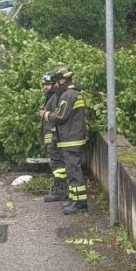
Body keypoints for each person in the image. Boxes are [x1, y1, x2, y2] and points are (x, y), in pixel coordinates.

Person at [39, 65, 87, 215]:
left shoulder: (68, 95)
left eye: (55, 81)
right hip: (69, 139)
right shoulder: (70, 93)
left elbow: (60, 117)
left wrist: (44, 115)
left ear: (61, 80)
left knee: (74, 171)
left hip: (71, 139)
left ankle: (80, 204)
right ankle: (74, 200)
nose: (54, 85)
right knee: (72, 172)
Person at [40, 72, 67, 202]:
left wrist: (51, 140)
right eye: (44, 84)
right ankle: (59, 188)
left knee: (58, 164)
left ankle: (60, 191)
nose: (45, 87)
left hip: (55, 137)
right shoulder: (51, 97)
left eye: (48, 84)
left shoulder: (56, 97)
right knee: (55, 163)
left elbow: (56, 118)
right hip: (51, 137)